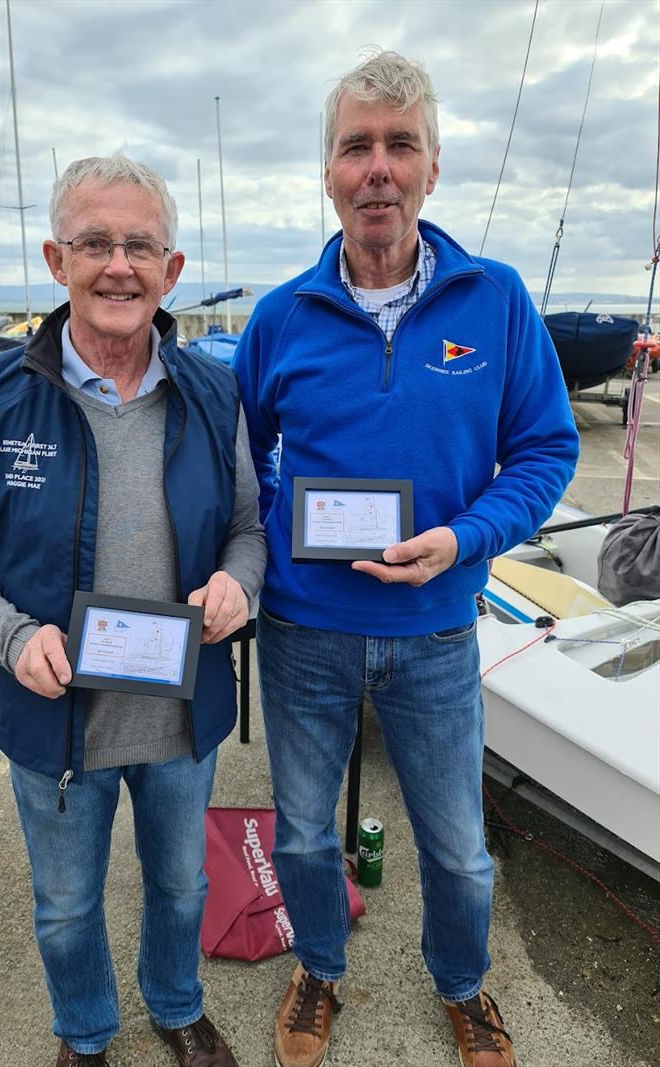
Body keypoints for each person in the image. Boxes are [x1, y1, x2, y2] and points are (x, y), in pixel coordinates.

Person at [233, 51, 579, 1067]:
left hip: (433, 634)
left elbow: (546, 447)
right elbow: (240, 457)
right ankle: (321, 967)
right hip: (302, 634)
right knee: (299, 836)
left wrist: (464, 539)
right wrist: (274, 542)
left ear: (430, 167)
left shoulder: (496, 300)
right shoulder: (279, 316)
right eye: (355, 146)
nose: (376, 167)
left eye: (398, 145)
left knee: (456, 850)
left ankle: (462, 983)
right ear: (328, 171)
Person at [0, 155, 266, 1067]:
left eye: (139, 245)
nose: (118, 265)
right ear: (55, 258)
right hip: (54, 714)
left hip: (180, 716)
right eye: (95, 242)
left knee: (180, 886)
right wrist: (12, 635)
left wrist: (240, 583)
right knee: (66, 904)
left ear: (171, 269)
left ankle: (178, 1006)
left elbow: (246, 530)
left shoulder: (211, 392)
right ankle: (85, 1033)